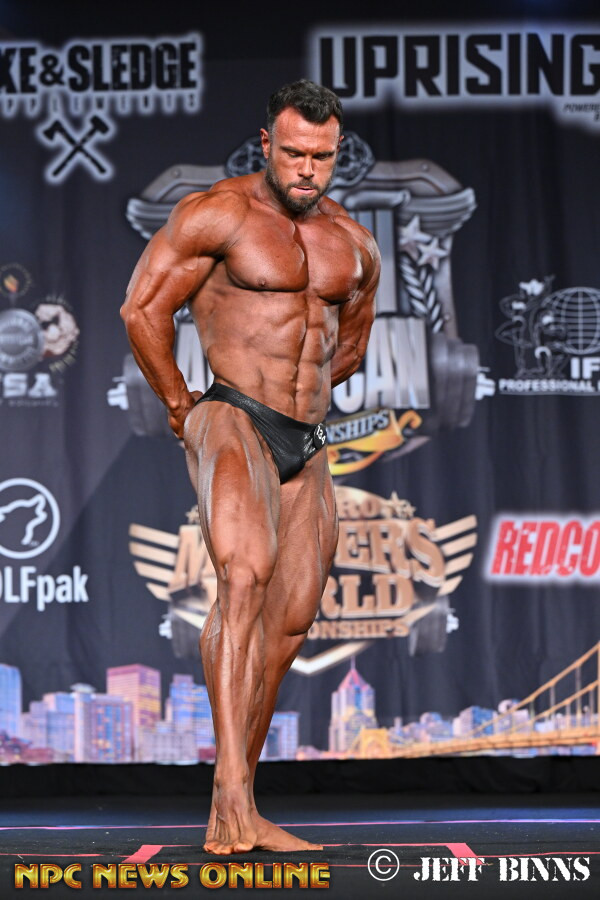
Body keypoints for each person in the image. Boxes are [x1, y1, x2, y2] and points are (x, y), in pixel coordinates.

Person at [121, 80, 380, 855]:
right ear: (266, 143)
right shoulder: (219, 214)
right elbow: (142, 308)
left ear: (339, 153)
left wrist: (304, 393)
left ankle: (239, 801)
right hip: (232, 408)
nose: (307, 169)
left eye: (322, 156)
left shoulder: (353, 241)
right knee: (244, 579)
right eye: (294, 152)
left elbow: (351, 344)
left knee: (290, 621)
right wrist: (182, 404)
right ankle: (231, 792)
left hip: (307, 434)